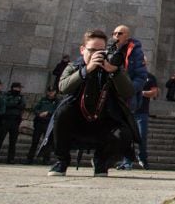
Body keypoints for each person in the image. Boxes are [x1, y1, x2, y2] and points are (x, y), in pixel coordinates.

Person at [44, 29, 138, 177]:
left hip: (103, 122)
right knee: (62, 113)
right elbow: (63, 87)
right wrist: (86, 70)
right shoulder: (74, 66)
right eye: (92, 50)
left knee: (124, 133)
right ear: (82, 50)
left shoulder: (113, 69)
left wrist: (114, 72)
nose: (97, 54)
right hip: (76, 122)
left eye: (101, 51)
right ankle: (62, 161)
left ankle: (102, 161)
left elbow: (128, 92)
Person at [119, 60, 158, 169]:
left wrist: (141, 92)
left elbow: (154, 92)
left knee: (142, 137)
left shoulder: (150, 77)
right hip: (128, 112)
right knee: (127, 137)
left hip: (142, 112)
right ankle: (126, 162)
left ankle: (143, 158)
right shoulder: (128, 76)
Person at [25, 87, 58, 165]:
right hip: (39, 122)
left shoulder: (56, 101)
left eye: (52, 92)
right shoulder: (43, 100)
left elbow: (57, 110)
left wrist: (48, 112)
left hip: (49, 123)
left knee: (47, 142)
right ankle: (30, 158)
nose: (50, 93)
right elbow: (36, 108)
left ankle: (46, 159)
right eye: (49, 91)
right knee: (35, 141)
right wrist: (39, 113)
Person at [0, 81, 26, 164]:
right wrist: (15, 104)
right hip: (6, 119)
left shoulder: (21, 97)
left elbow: (22, 105)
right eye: (19, 88)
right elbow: (5, 103)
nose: (20, 89)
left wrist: (14, 105)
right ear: (14, 88)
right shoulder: (6, 95)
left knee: (13, 141)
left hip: (15, 120)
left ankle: (11, 158)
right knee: (0, 139)